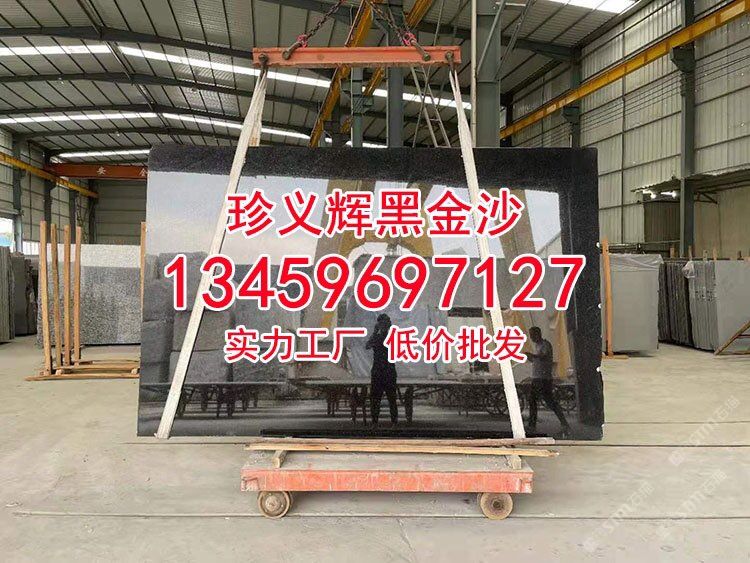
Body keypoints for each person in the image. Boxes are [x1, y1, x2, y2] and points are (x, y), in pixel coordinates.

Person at [526, 326, 571, 437]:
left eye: (532, 335)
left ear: (538, 334)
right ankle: (532, 424)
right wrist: (529, 357)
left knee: (547, 401)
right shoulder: (537, 346)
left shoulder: (546, 344)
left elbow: (543, 356)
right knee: (536, 400)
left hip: (543, 378)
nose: (531, 338)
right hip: (537, 377)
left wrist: (532, 355)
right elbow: (537, 359)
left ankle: (563, 423)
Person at [365, 313, 398, 425]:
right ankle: (388, 423)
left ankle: (379, 423)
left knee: (383, 399)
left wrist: (375, 332)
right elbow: (367, 346)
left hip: (383, 371)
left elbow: (368, 345)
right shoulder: (388, 337)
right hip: (383, 371)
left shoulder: (389, 337)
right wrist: (375, 332)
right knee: (384, 399)